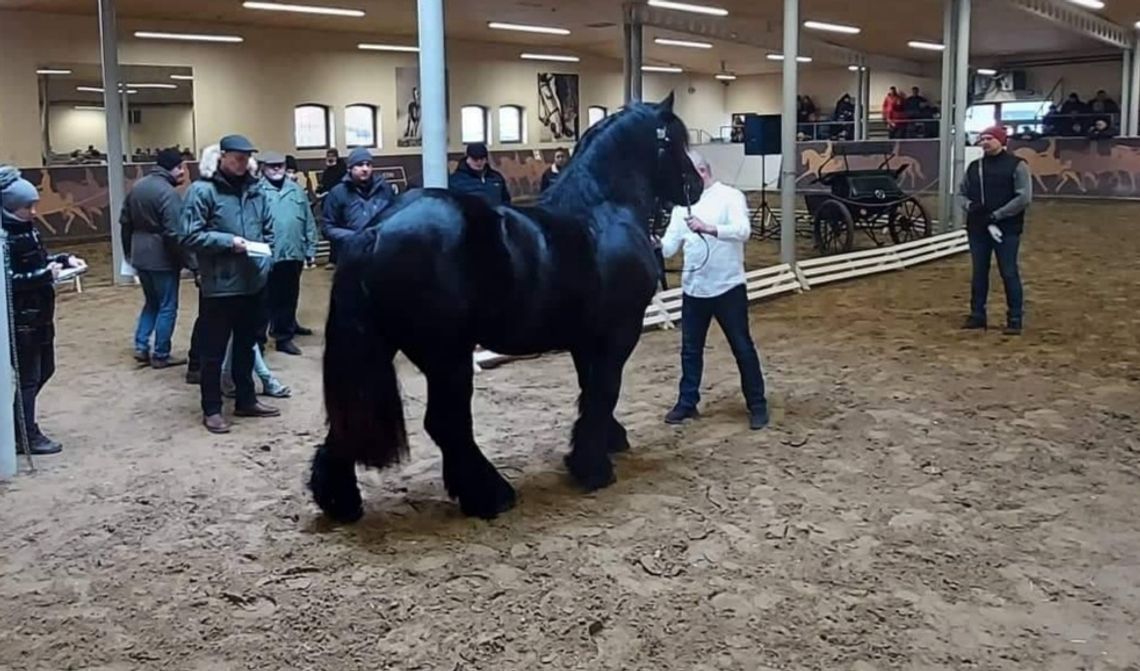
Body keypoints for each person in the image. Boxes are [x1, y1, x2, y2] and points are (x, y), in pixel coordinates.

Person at [656, 152, 769, 431]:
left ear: (702, 171)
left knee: (742, 347)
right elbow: (670, 246)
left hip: (728, 287)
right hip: (694, 289)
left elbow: (743, 230)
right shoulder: (682, 208)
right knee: (690, 350)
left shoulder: (730, 197)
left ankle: (757, 404)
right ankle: (687, 401)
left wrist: (709, 229)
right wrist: (654, 242)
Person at [180, 135, 280, 434]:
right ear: (222, 157)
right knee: (213, 351)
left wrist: (265, 259)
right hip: (220, 286)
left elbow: (268, 229)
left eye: (246, 157)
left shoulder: (255, 190)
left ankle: (246, 399)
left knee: (247, 346)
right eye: (236, 157)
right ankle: (211, 409)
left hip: (253, 282)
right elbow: (188, 235)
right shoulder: (202, 191)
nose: (242, 162)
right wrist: (229, 243)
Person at [1, 165, 87, 455]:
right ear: (12, 208)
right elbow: (7, 281)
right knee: (28, 376)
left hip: (39, 313)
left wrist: (60, 261)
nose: (34, 212)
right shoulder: (5, 238)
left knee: (44, 370)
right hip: (21, 317)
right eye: (28, 207)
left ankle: (16, 421)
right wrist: (44, 276)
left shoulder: (27, 230)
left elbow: (38, 262)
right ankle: (24, 431)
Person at [120, 148, 192, 368]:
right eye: (181, 168)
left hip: (140, 253)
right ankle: (161, 353)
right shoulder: (168, 194)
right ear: (173, 167)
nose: (182, 173)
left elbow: (125, 222)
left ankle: (141, 346)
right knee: (167, 306)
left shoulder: (138, 187)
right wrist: (186, 260)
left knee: (151, 303)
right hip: (161, 257)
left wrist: (129, 253)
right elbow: (174, 233)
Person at [959, 125, 1033, 336]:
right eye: (982, 138)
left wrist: (997, 215)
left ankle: (1015, 317)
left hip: (1007, 229)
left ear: (1001, 141)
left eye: (989, 138)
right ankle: (977, 314)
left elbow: (1023, 197)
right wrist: (970, 207)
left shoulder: (1017, 166)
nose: (985, 142)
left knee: (1008, 272)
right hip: (977, 229)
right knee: (979, 272)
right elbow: (962, 193)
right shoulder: (974, 167)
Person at [258, 151, 317, 355]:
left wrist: (310, 248)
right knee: (264, 299)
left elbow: (308, 220)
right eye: (271, 165)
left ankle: (284, 336)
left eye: (280, 165)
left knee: (288, 297)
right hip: (267, 255)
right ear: (263, 168)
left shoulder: (296, 190)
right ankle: (258, 340)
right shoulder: (256, 191)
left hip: (293, 253)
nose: (276, 169)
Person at [320, 147, 395, 259]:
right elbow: (327, 227)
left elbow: (395, 219)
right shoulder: (338, 193)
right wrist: (354, 236)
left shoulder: (385, 190)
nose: (365, 169)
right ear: (350, 168)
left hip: (382, 254)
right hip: (351, 256)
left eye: (368, 164)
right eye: (360, 165)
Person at [448, 143, 511, 207]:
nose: (479, 162)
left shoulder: (496, 177)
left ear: (486, 160)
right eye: (475, 159)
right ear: (468, 158)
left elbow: (506, 200)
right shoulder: (455, 181)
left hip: (496, 215)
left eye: (482, 159)